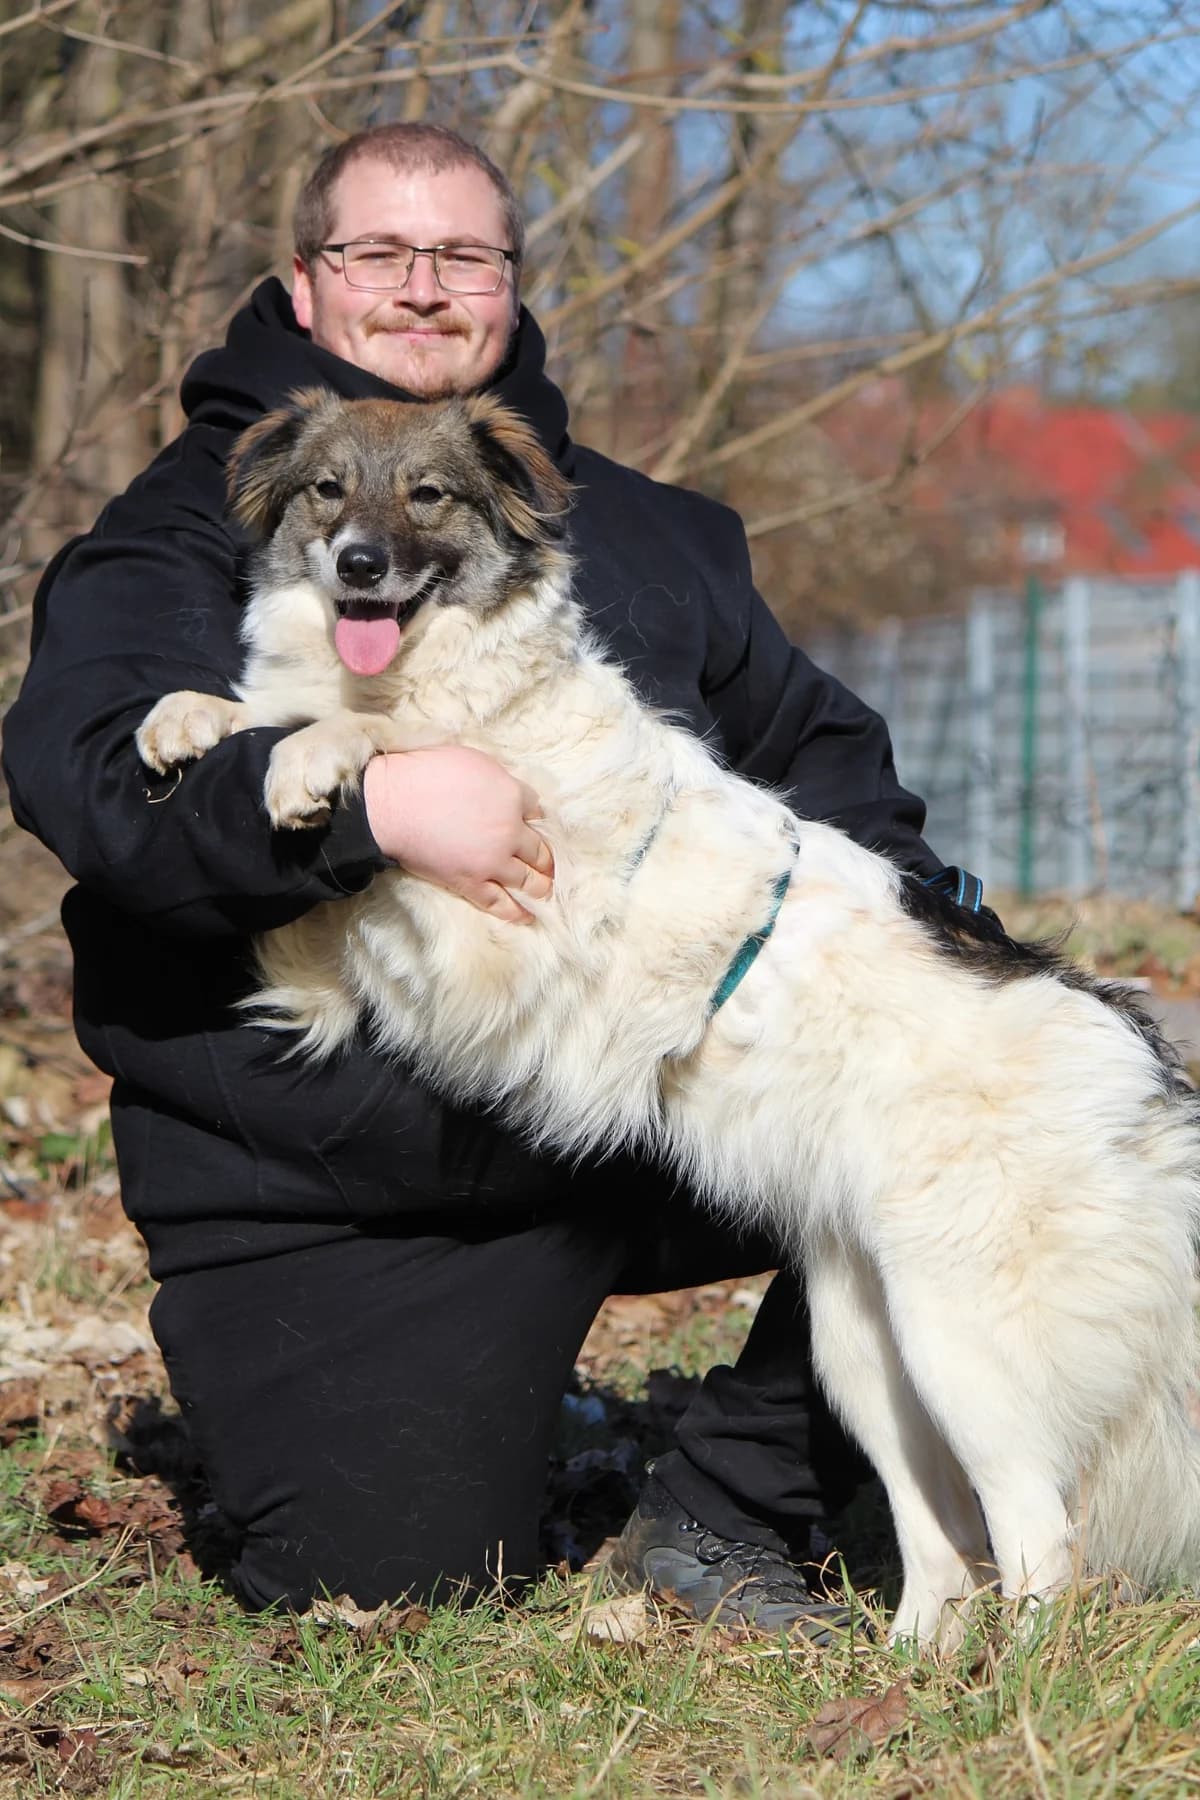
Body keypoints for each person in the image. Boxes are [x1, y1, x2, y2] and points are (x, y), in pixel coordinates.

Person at [3, 123, 948, 1630]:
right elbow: (98, 781)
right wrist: (368, 804)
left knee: (965, 1082)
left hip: (626, 1105)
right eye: (379, 252)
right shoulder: (200, 516)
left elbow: (836, 773)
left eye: (464, 256)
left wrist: (951, 950)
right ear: (305, 285)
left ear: (509, 283)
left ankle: (740, 1495)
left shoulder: (650, 530)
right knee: (394, 1586)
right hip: (342, 1185)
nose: (424, 288)